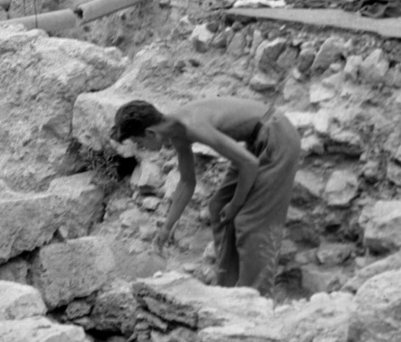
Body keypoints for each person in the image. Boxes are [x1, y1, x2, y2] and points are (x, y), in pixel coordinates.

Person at [112, 97, 300, 296]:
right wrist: (166, 228)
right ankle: (227, 289)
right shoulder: (176, 131)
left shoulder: (192, 126)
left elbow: (249, 164)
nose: (142, 148)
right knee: (219, 206)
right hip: (258, 140)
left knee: (250, 222)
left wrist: (236, 204)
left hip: (278, 137)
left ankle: (255, 298)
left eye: (139, 143)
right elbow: (186, 182)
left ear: (151, 132)